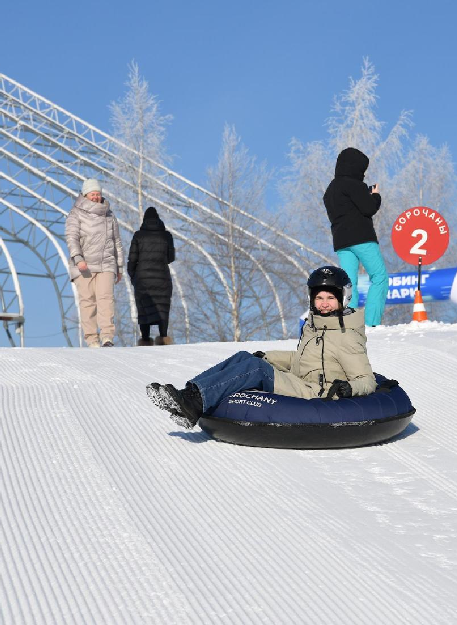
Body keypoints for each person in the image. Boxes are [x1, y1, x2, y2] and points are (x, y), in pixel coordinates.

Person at [146, 266, 377, 429]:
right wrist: (268, 356)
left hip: (317, 392)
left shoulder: (347, 335)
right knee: (244, 357)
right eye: (319, 298)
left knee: (256, 369)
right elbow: (301, 358)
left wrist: (349, 388)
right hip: (300, 380)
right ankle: (189, 394)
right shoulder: (314, 327)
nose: (324, 304)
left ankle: (194, 404)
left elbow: (366, 379)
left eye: (330, 298)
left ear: (342, 298)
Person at [323, 147, 389, 327]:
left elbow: (347, 207)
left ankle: (348, 323)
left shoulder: (330, 189)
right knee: (379, 277)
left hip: (341, 242)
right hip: (362, 238)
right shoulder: (354, 184)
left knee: (348, 283)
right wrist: (375, 196)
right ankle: (371, 322)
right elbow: (368, 208)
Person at [65, 178, 124, 347]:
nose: (96, 197)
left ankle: (107, 337)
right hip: (85, 265)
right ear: (85, 194)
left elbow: (116, 242)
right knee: (88, 301)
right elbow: (72, 238)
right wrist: (78, 259)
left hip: (106, 263)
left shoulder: (109, 215)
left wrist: (119, 266)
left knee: (106, 299)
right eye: (93, 194)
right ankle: (92, 339)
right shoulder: (75, 213)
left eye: (98, 194)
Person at [128, 207, 175, 346]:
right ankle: (163, 337)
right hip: (162, 278)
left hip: (142, 279)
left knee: (144, 309)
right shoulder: (167, 236)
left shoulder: (138, 235)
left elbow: (132, 259)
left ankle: (146, 339)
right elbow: (170, 258)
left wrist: (133, 277)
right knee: (162, 307)